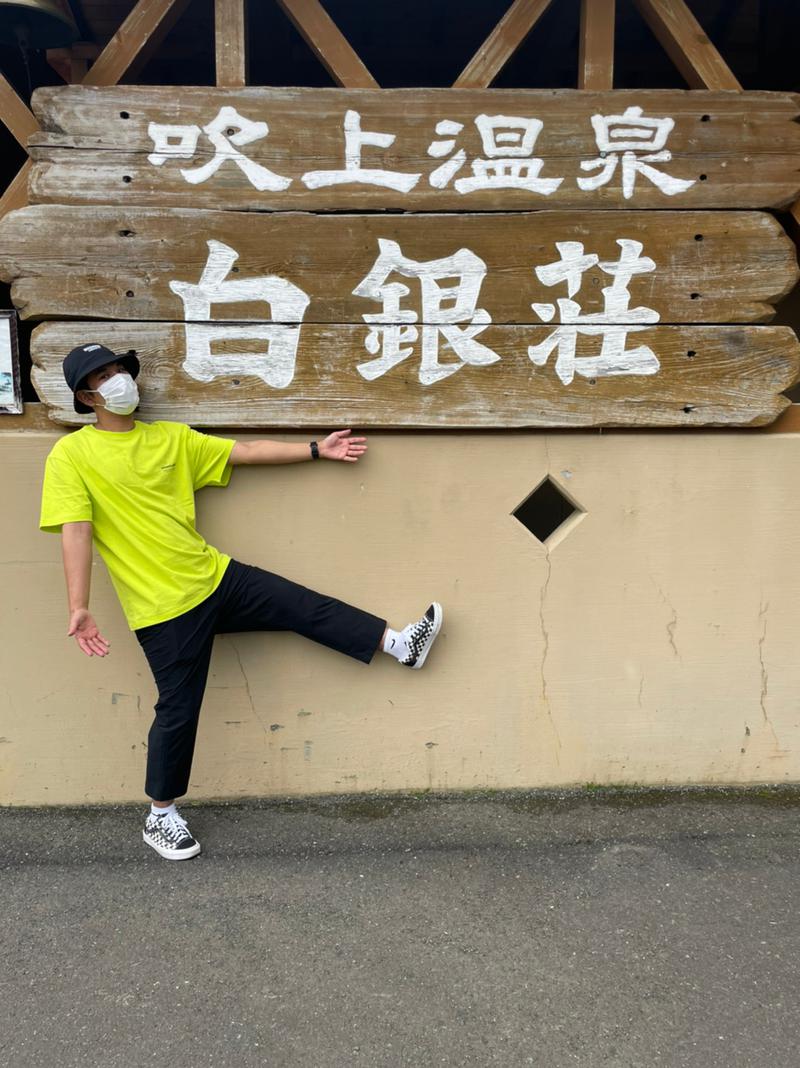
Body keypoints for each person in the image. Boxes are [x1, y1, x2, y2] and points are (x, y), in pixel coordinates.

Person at [39, 343, 443, 861]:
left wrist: (317, 450)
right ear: (85, 395)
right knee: (179, 709)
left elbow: (245, 452)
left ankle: (399, 644)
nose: (118, 380)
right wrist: (80, 603)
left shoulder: (171, 439)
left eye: (120, 369)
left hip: (215, 577)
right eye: (103, 374)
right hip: (162, 608)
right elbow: (75, 528)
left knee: (303, 605)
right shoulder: (72, 456)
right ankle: (160, 816)